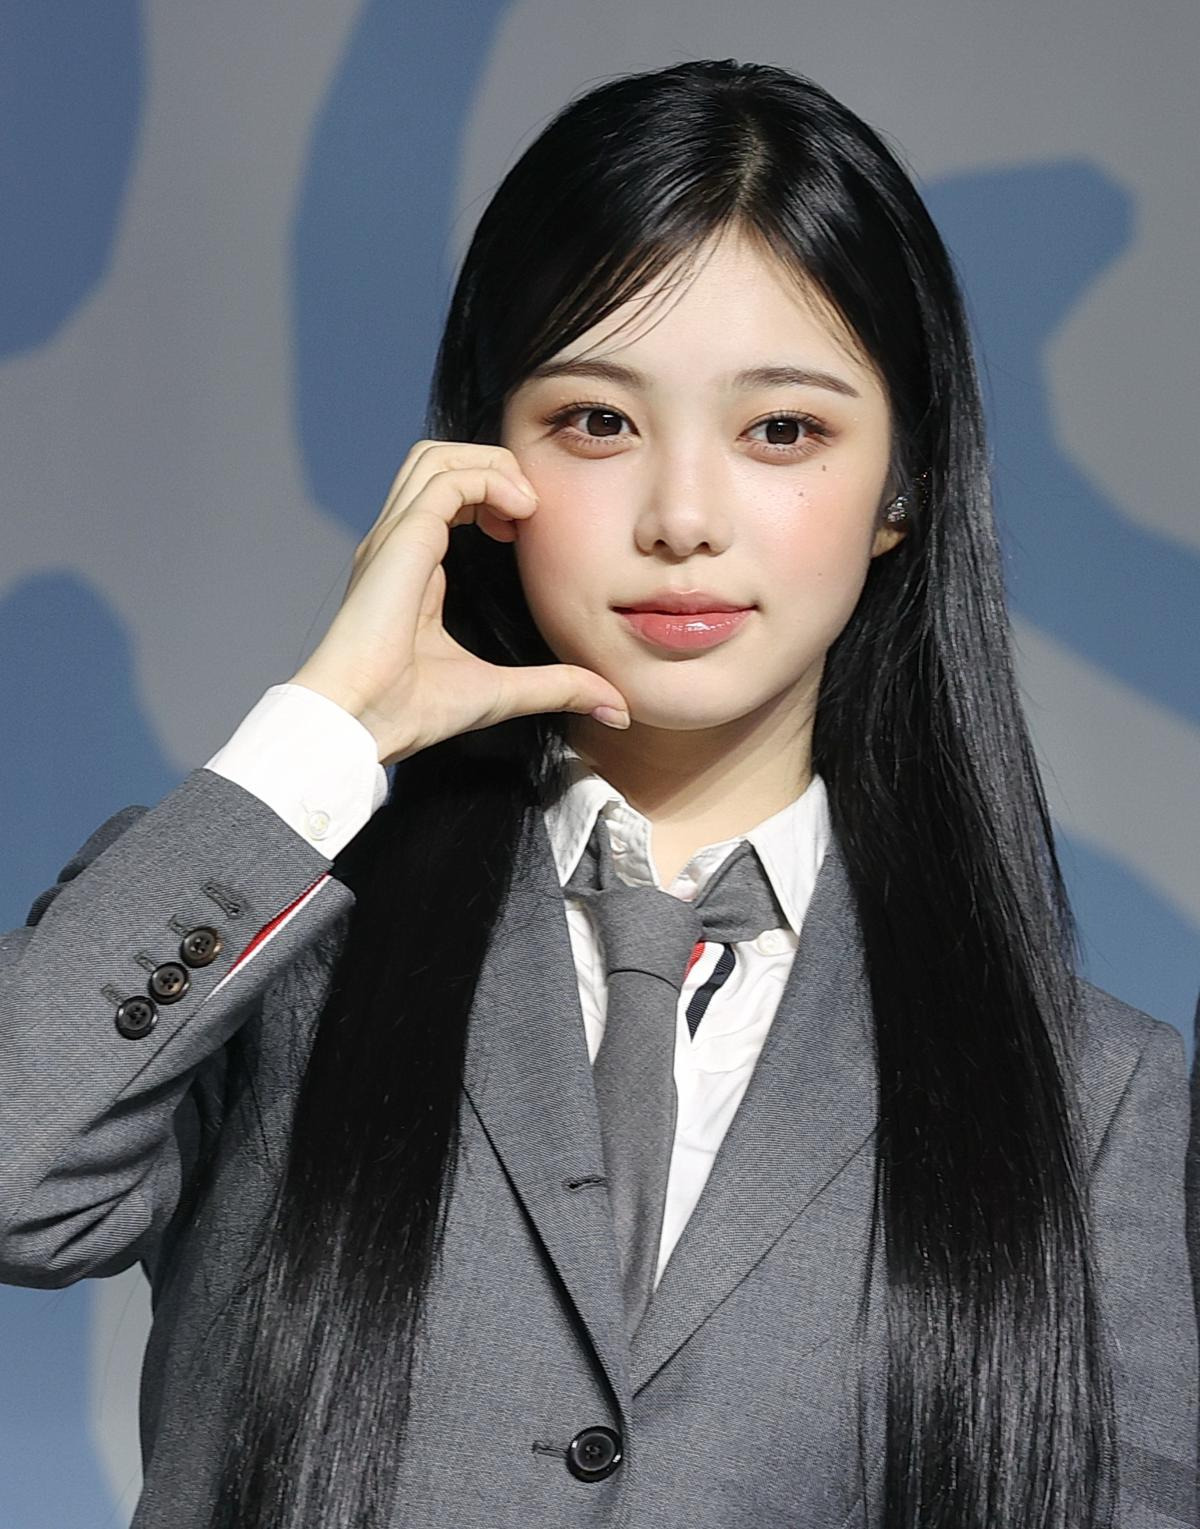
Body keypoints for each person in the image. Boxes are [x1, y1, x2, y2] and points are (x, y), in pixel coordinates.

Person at [0, 58, 1195, 1529]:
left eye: (782, 430)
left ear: (902, 489)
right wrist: (328, 729)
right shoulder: (262, 940)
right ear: (481, 466)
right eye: (596, 423)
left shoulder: (1096, 1099)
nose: (682, 518)